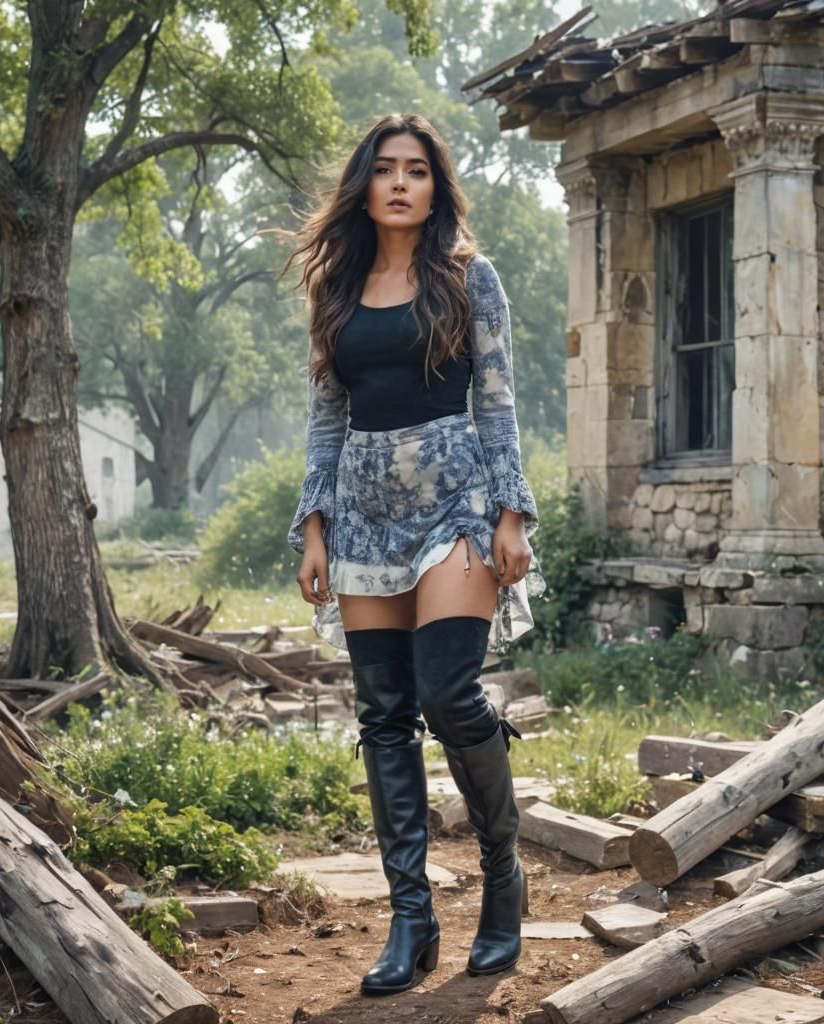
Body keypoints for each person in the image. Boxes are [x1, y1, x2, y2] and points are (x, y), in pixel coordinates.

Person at [278, 113, 545, 997]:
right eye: (386, 169)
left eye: (417, 170)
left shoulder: (473, 279)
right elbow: (326, 421)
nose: (401, 183)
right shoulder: (336, 291)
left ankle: (503, 882)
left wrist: (512, 513)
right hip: (361, 509)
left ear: (437, 187)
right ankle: (411, 917)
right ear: (365, 185)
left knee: (445, 689)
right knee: (384, 714)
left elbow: (498, 404)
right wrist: (313, 526)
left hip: (457, 502)